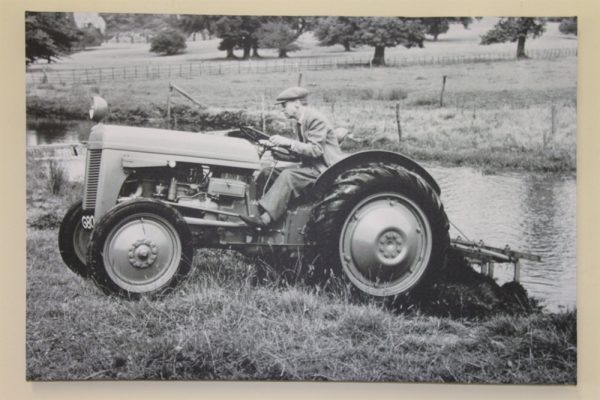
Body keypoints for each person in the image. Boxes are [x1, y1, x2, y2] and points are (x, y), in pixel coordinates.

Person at [240, 86, 344, 228]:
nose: (282, 109)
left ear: (296, 103)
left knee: (288, 176)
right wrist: (275, 147)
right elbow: (299, 153)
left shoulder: (315, 119)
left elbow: (316, 150)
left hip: (325, 170)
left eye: (284, 105)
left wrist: (288, 142)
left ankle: (265, 221)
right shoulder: (301, 122)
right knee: (267, 172)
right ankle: (255, 210)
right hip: (310, 167)